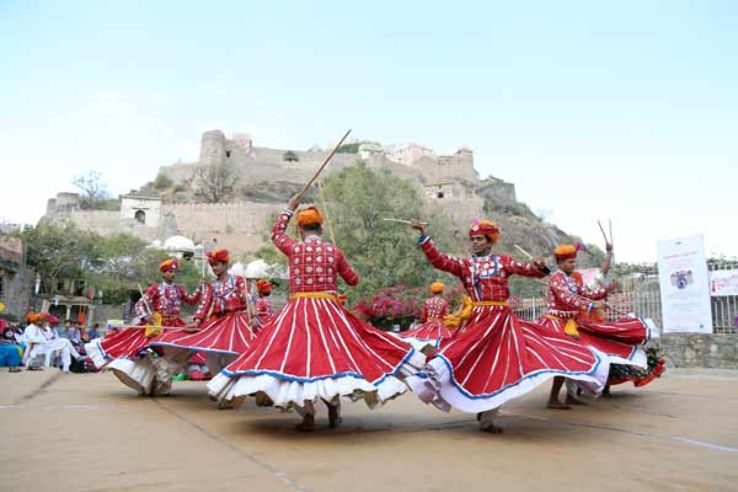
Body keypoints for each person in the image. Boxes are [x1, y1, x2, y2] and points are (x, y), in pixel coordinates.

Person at [207, 199, 424, 431]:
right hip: (330, 314)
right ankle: (333, 408)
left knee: (296, 361)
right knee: (332, 360)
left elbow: (276, 234)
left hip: (298, 313)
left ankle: (308, 414)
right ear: (320, 229)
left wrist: (290, 208)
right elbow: (353, 280)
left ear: (301, 230)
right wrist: (339, 262)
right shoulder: (334, 252)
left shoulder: (294, 248)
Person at [405, 219, 609, 433]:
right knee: (467, 360)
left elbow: (527, 269)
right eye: (473, 239)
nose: (475, 243)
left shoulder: (502, 262)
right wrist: (424, 237)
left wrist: (538, 266)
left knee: (500, 366)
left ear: (490, 241)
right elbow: (440, 261)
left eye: (479, 239)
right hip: (478, 321)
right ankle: (454, 393)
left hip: (501, 323)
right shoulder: (466, 265)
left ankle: (487, 418)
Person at [539, 244, 659, 407]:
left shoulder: (570, 279)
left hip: (569, 325)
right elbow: (568, 299)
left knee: (575, 358)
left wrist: (605, 291)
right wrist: (592, 306)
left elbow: (585, 294)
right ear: (560, 263)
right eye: (570, 262)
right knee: (566, 360)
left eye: (573, 262)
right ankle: (553, 398)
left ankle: (569, 395)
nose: (573, 265)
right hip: (556, 324)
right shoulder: (556, 278)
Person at [85, 258, 203, 394]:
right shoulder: (155, 289)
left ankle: (162, 385)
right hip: (157, 326)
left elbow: (192, 301)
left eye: (174, 272)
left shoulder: (179, 289)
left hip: (175, 326)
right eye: (170, 271)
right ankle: (151, 385)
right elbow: (140, 304)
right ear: (163, 273)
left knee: (177, 352)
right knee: (152, 355)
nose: (172, 274)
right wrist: (146, 316)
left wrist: (200, 287)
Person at [151, 249, 257, 384]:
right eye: (212, 266)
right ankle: (220, 384)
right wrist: (196, 321)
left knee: (233, 355)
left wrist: (253, 315)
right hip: (217, 323)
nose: (214, 268)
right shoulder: (212, 284)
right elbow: (204, 304)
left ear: (225, 265)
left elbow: (248, 298)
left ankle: (233, 385)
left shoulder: (238, 281)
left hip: (235, 322)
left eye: (217, 265)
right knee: (211, 359)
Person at [396, 281, 452, 354]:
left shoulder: (427, 301)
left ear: (432, 292)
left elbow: (423, 316)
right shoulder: (444, 302)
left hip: (428, 324)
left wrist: (423, 322)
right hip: (439, 325)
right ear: (442, 292)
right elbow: (446, 316)